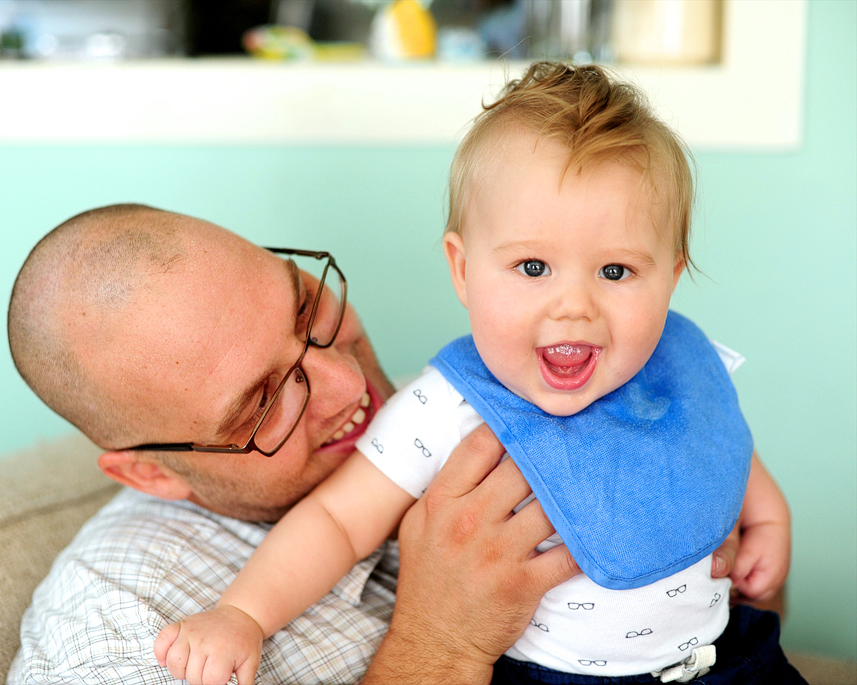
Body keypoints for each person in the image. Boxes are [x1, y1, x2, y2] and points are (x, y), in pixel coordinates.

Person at [155, 62, 802, 685]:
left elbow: (726, 447)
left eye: (616, 271)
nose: (574, 305)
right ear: (463, 270)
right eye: (532, 267)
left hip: (726, 659)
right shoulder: (447, 405)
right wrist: (243, 613)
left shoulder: (678, 362)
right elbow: (336, 521)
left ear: (670, 275)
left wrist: (769, 526)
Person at [5, 203, 591, 685]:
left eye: (308, 310)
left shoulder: (455, 404)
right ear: (151, 475)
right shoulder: (121, 636)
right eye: (261, 404)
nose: (349, 383)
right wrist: (439, 646)